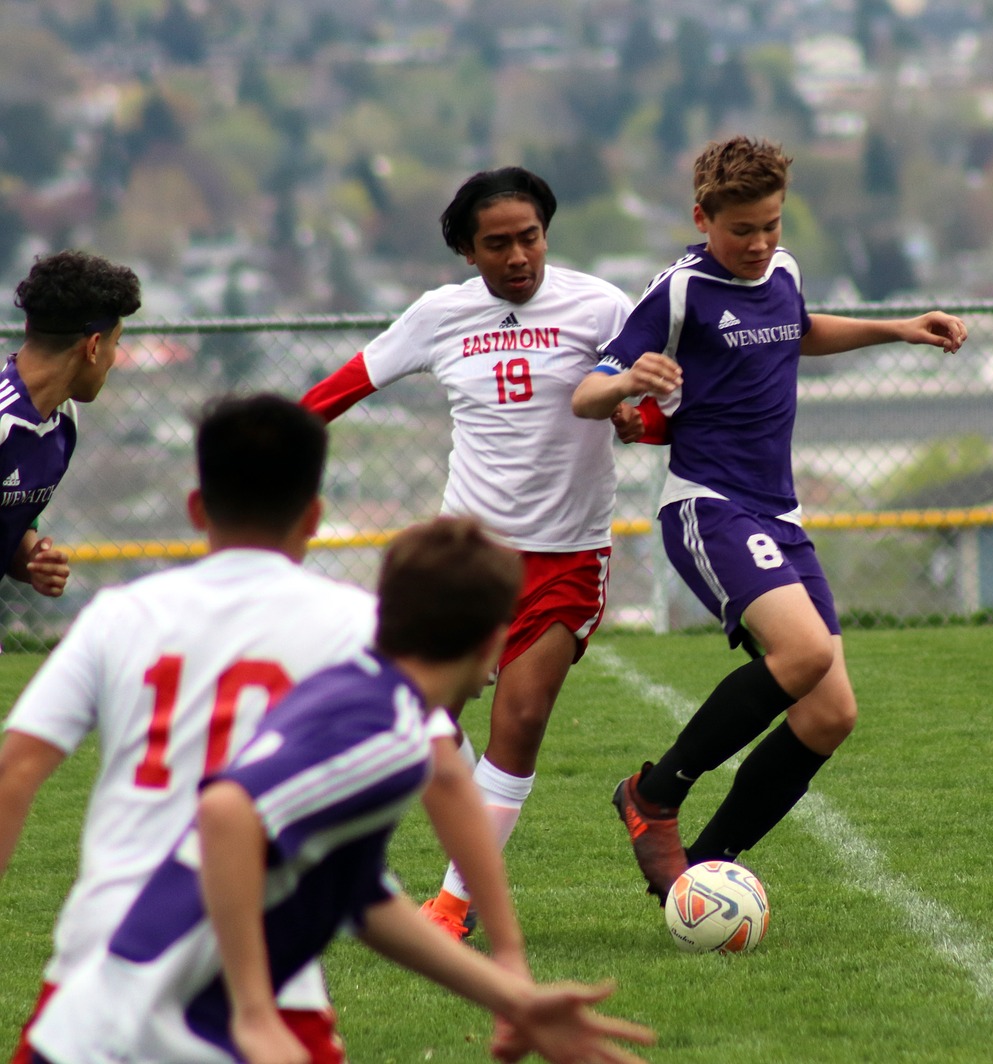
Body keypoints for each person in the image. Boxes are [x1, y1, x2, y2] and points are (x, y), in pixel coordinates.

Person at [0, 394, 527, 1063]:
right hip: (271, 980)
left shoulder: (120, 615)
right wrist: (507, 953)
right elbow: (445, 773)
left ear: (197, 508)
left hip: (102, 967)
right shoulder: (359, 626)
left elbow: (14, 774)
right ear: (314, 514)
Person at [26, 516, 656, 1064]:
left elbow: (359, 897)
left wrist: (511, 995)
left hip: (112, 1017)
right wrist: (254, 1012)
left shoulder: (367, 699)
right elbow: (225, 812)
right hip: (149, 1031)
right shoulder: (387, 732)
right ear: (496, 638)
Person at [571, 136, 968, 903]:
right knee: (805, 652)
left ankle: (699, 875)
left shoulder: (780, 272)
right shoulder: (678, 292)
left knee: (830, 714)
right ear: (702, 217)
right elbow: (588, 391)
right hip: (707, 504)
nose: (759, 245)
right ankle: (653, 795)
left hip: (778, 513)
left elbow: (798, 329)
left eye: (771, 226)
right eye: (742, 230)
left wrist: (898, 328)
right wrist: (627, 384)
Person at [301, 167, 636, 939]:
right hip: (467, 559)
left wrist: (636, 417)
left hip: (566, 555)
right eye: (498, 244)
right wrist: (267, 443)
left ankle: (454, 902)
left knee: (519, 724)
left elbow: (648, 410)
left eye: (531, 237)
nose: (519, 255)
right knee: (416, 718)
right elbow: (345, 386)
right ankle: (354, 863)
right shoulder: (437, 316)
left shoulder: (601, 306)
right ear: (466, 251)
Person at [0, 249, 141, 598]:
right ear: (94, 347)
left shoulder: (63, 420)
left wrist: (32, 560)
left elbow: (10, 529)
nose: (113, 359)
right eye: (116, 344)